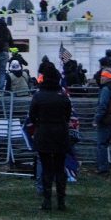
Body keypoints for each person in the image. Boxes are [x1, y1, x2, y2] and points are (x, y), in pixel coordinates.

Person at [28, 62, 72, 211]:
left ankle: (47, 201)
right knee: (60, 168)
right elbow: (68, 115)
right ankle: (61, 201)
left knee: (46, 168)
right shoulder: (63, 96)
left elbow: (32, 116)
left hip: (44, 132)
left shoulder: (38, 96)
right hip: (60, 132)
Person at [93, 68, 111, 175]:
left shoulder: (105, 89)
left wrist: (96, 119)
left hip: (106, 121)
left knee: (102, 145)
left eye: (102, 77)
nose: (100, 78)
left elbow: (102, 106)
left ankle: (103, 169)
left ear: (106, 77)